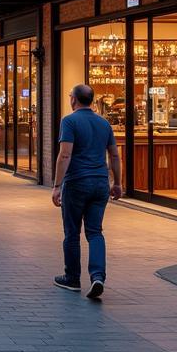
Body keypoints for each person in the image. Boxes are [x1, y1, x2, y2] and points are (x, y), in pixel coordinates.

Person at [52, 84, 122, 299]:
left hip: (77, 183)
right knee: (95, 232)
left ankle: (72, 278)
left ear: (74, 99)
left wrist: (57, 186)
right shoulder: (104, 123)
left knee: (72, 232)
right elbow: (114, 155)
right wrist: (117, 183)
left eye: (69, 95)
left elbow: (65, 155)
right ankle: (98, 276)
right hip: (100, 183)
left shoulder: (69, 121)